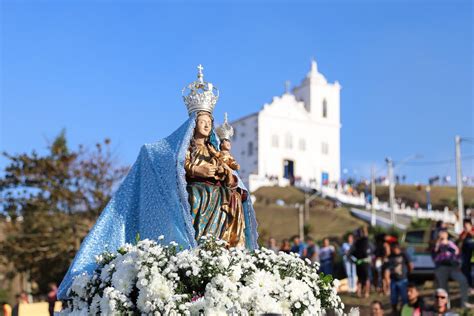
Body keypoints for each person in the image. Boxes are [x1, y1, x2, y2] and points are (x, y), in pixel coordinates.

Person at [57, 65, 259, 299]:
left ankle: (225, 249)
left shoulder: (214, 150)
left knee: (232, 196)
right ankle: (201, 247)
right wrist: (203, 170)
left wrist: (225, 173)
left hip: (217, 192)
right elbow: (184, 168)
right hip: (197, 190)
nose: (206, 125)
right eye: (202, 120)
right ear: (194, 123)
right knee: (199, 196)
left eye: (209, 121)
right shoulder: (187, 149)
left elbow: (229, 171)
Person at [432, 229, 470, 308]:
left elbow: (457, 253)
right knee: (443, 287)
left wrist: (459, 264)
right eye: (441, 233)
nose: (443, 234)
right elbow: (435, 254)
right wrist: (438, 242)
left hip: (453, 267)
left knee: (463, 281)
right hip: (441, 267)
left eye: (444, 233)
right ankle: (446, 306)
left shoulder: (451, 243)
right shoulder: (437, 244)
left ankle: (464, 303)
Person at [387, 242, 413, 314]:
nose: (393, 250)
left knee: (404, 297)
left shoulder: (404, 254)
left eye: (394, 248)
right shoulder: (391, 256)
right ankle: (394, 311)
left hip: (403, 279)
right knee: (393, 297)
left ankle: (405, 311)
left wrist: (408, 274)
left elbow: (410, 265)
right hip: (393, 279)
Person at [350, 226, 372, 298]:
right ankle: (364, 293)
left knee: (362, 278)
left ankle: (361, 293)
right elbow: (366, 235)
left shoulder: (358, 242)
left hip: (360, 262)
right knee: (365, 278)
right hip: (363, 262)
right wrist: (365, 229)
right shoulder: (362, 241)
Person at [458, 218, 474, 289]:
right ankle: (470, 286)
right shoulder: (463, 233)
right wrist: (465, 233)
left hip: (473, 256)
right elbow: (460, 241)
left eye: (467, 225)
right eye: (465, 226)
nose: (466, 227)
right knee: (466, 271)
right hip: (466, 256)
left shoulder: (472, 231)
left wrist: (470, 232)